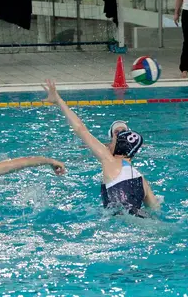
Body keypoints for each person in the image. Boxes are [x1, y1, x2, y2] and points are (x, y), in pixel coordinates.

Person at [42, 80, 161, 216]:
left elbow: (80, 129)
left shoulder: (109, 160)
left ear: (116, 147)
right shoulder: (142, 180)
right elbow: (155, 208)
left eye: (113, 142)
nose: (109, 144)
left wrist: (58, 99)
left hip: (121, 223)